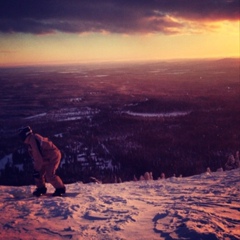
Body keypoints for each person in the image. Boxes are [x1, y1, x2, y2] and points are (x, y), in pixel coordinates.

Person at [18, 126, 66, 197]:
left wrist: (36, 169)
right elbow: (38, 157)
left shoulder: (33, 141)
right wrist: (37, 170)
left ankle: (60, 188)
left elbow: (38, 157)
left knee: (49, 174)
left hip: (53, 157)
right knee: (39, 173)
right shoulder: (32, 140)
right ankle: (41, 188)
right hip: (46, 157)